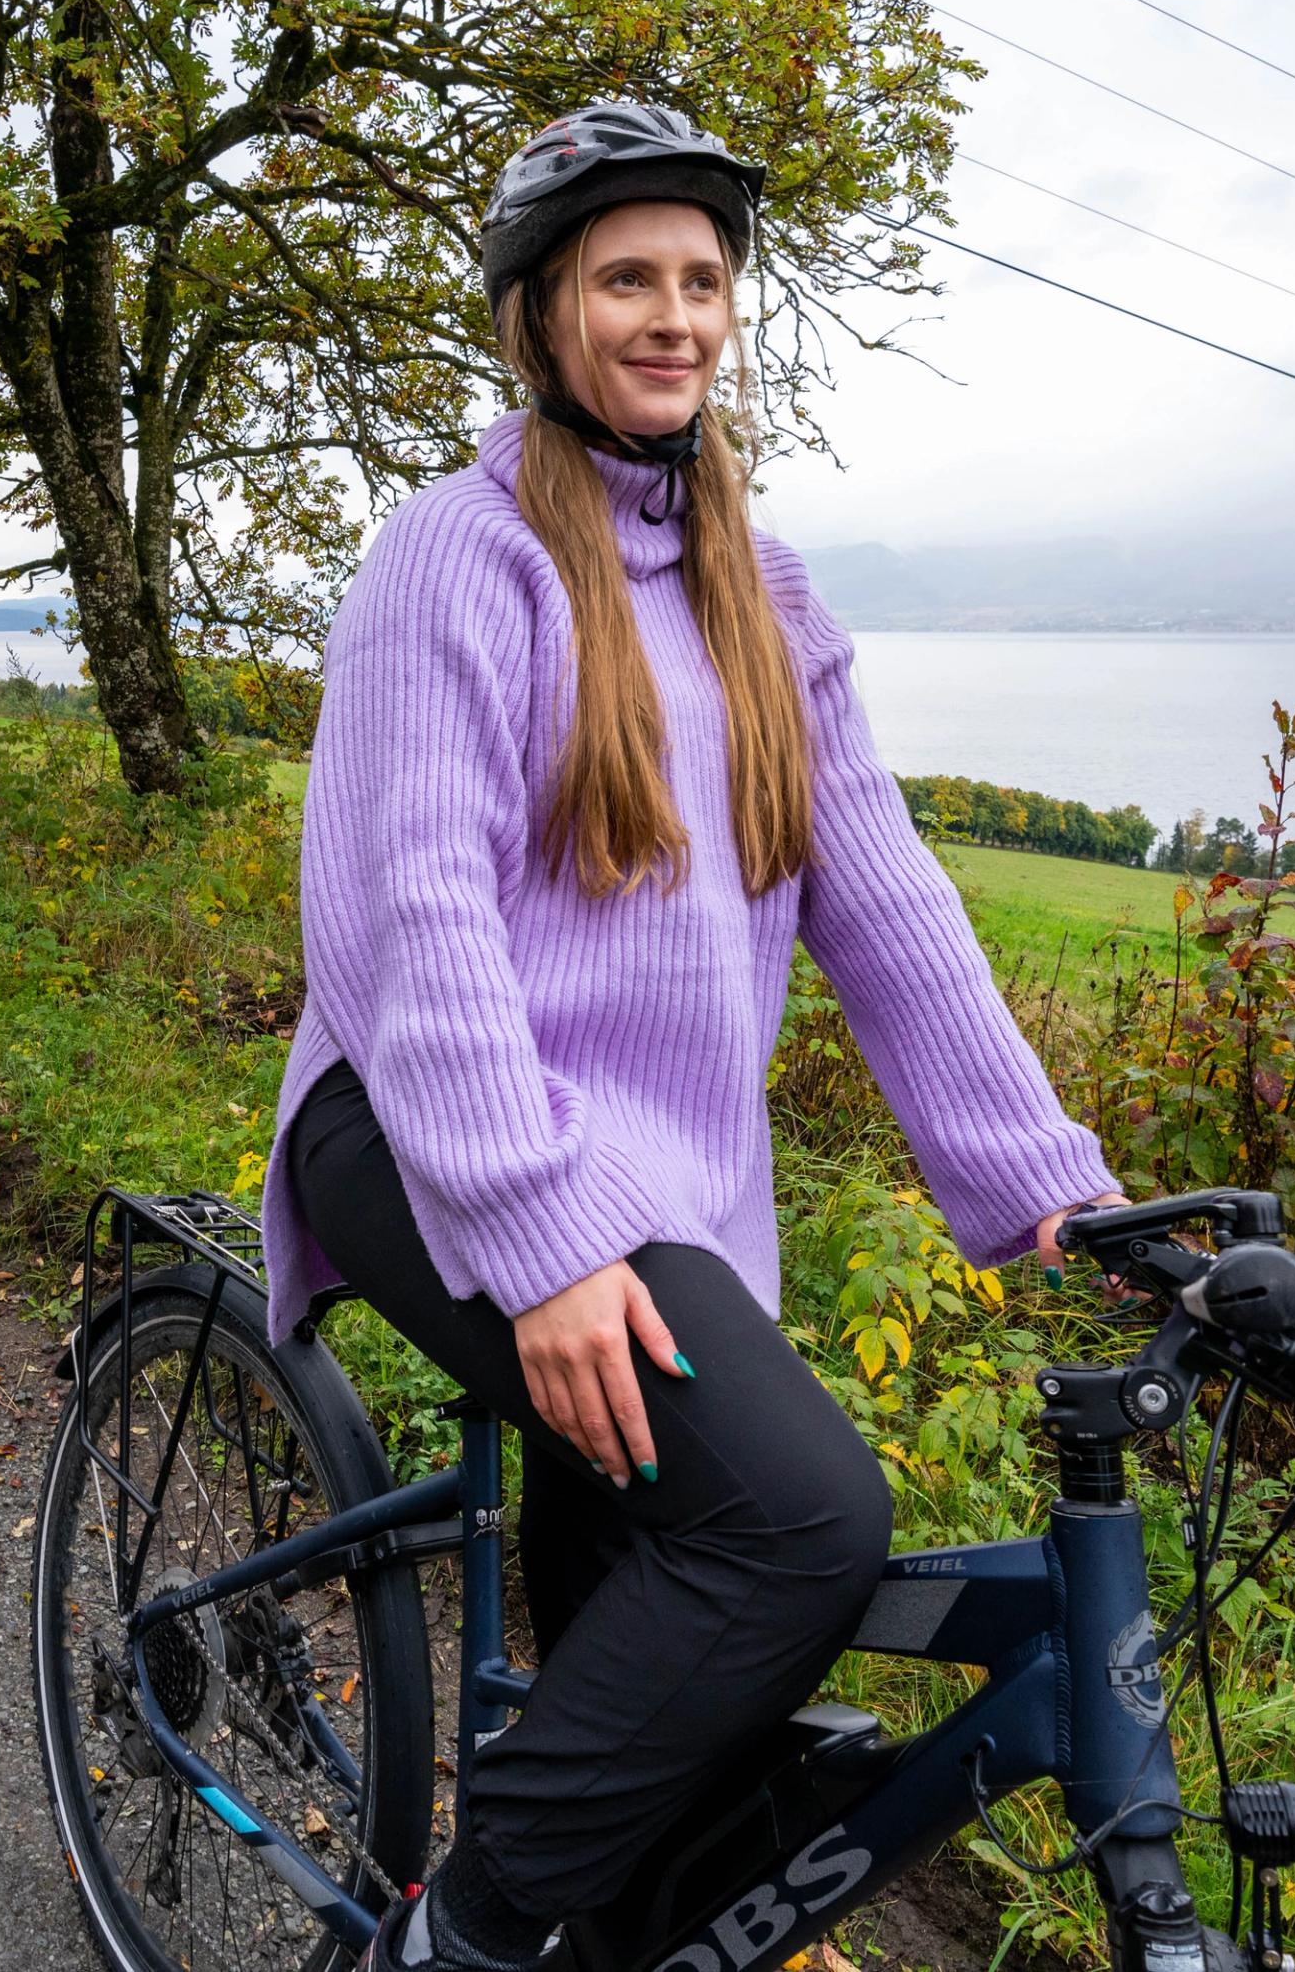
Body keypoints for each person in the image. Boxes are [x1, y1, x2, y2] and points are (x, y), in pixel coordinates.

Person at [259, 101, 1124, 1970]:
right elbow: (407, 920)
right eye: (626, 277)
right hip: (424, 1124)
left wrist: (1056, 1190)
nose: (674, 315)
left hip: (655, 1178)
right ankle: (465, 1939)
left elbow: (886, 906)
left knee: (659, 1591)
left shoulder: (769, 597)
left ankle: (607, 1928)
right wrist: (546, 1236)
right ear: (542, 313)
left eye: (704, 279)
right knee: (802, 1520)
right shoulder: (455, 560)